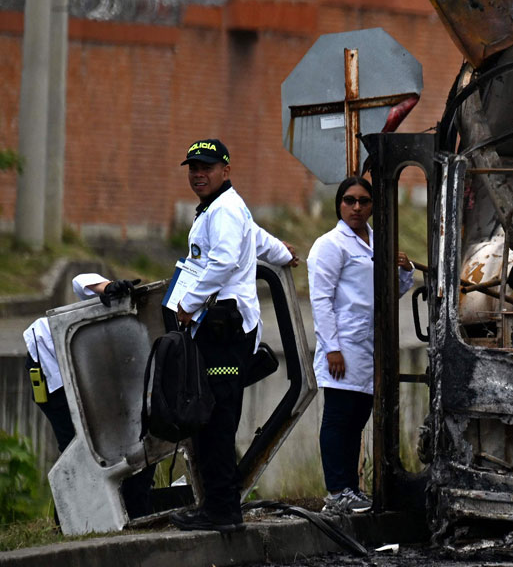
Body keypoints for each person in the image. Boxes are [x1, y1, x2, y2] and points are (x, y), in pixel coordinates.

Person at [170, 138, 297, 533]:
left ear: (226, 170)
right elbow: (256, 239)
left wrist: (188, 303)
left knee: (217, 422)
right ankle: (218, 506)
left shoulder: (223, 209)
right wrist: (284, 254)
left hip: (224, 329)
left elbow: (224, 259)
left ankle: (222, 511)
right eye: (193, 168)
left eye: (206, 167)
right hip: (221, 327)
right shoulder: (224, 208)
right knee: (212, 419)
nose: (198, 174)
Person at [308, 176, 414, 515]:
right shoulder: (330, 245)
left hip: (370, 347)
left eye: (364, 201)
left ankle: (351, 490)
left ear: (373, 206)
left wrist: (405, 269)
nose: (357, 207)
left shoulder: (378, 241)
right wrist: (332, 349)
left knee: (357, 420)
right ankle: (336, 491)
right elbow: (321, 300)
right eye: (350, 200)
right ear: (339, 204)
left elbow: (389, 292)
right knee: (338, 417)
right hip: (343, 345)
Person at [24, 272, 156, 519]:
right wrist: (107, 287)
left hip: (89, 373)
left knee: (121, 443)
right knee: (77, 448)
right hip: (50, 361)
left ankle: (121, 513)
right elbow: (80, 281)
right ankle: (70, 521)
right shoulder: (136, 309)